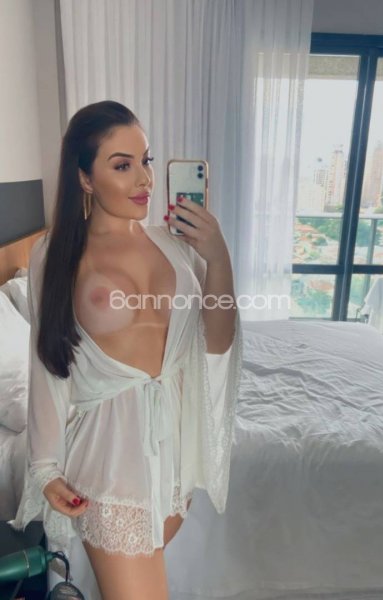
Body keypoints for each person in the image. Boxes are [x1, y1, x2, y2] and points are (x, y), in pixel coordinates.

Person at [7, 100, 242, 599]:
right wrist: (45, 468)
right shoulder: (56, 253)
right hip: (110, 466)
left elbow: (216, 344)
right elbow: (49, 361)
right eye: (122, 165)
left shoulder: (176, 246)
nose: (145, 179)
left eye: (146, 160)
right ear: (85, 178)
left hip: (173, 463)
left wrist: (218, 256)